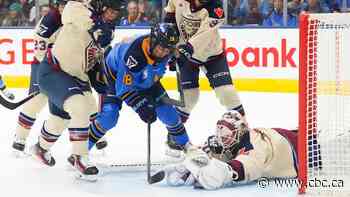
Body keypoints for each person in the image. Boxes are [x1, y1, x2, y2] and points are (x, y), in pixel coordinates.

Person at [78, 23, 203, 165]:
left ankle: (188, 147)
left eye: (168, 50)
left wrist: (180, 55)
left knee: (169, 113)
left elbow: (176, 52)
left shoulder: (165, 49)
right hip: (113, 78)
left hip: (146, 79)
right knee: (109, 117)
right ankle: (79, 153)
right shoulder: (134, 56)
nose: (163, 53)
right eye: (161, 48)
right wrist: (141, 107)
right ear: (153, 41)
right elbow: (123, 89)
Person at [30, 0, 122, 181]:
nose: (113, 16)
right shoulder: (76, 8)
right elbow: (78, 18)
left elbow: (94, 56)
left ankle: (40, 148)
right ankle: (80, 157)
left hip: (78, 76)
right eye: (110, 11)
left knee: (65, 116)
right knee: (80, 107)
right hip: (54, 71)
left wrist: (100, 78)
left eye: (116, 13)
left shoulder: (109, 31)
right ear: (100, 6)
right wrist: (96, 26)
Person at [160, 110, 298, 190]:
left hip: (304, 149)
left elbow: (240, 168)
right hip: (284, 136)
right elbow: (203, 154)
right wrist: (186, 165)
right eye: (221, 134)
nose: (222, 139)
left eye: (228, 135)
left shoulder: (255, 147)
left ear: (240, 132)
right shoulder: (223, 140)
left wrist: (217, 173)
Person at [163, 0, 246, 125]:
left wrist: (185, 51)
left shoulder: (216, 9)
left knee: (227, 93)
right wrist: (169, 43)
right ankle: (176, 134)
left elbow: (204, 36)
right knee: (189, 98)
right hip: (185, 54)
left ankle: (245, 131)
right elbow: (171, 9)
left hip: (211, 55)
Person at [12, 0, 67, 156]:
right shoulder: (51, 19)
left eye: (66, 5)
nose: (64, 8)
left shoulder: (73, 18)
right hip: (43, 65)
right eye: (61, 5)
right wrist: (50, 65)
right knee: (36, 101)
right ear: (57, 6)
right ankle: (19, 139)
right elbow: (39, 46)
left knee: (71, 103)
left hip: (63, 68)